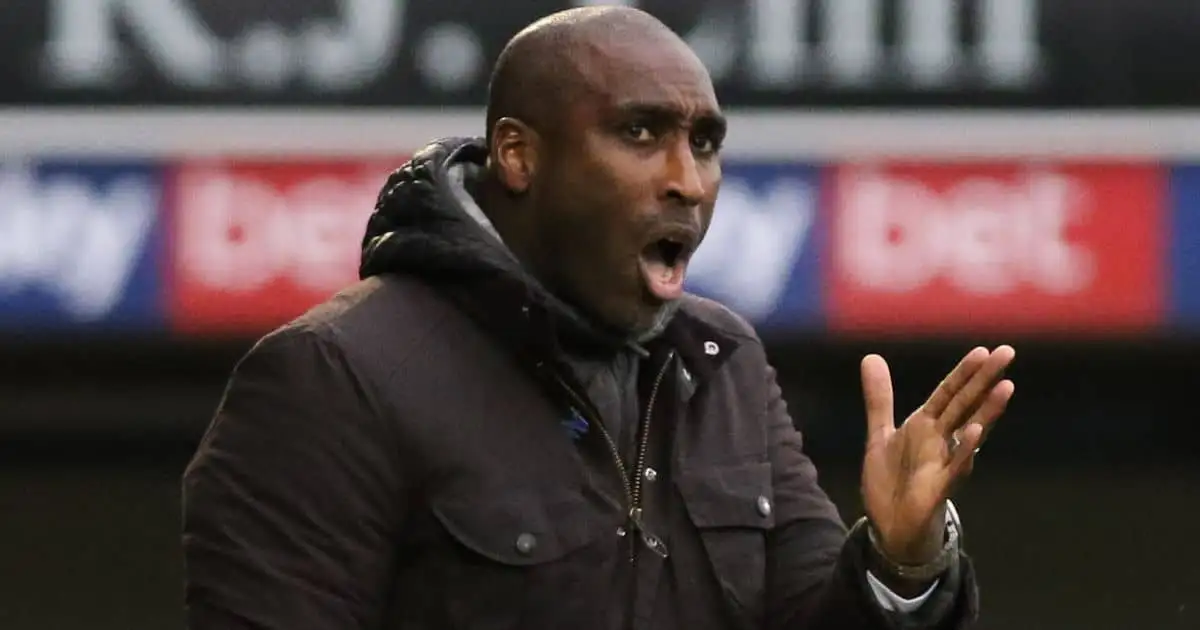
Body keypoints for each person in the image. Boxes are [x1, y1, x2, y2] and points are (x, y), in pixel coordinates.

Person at [181, 6, 1016, 630]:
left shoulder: (724, 364)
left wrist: (900, 565)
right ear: (519, 155)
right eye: (641, 132)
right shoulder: (338, 376)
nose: (687, 179)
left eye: (706, 142)